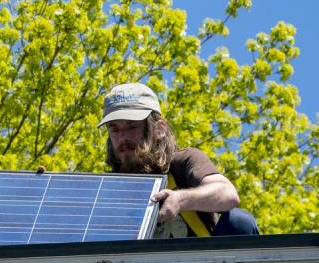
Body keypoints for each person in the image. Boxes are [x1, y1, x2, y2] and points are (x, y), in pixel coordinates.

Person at [98, 82, 259, 238]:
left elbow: (227, 194)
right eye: (114, 128)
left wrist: (180, 200)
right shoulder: (105, 190)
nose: (122, 136)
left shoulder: (183, 162)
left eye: (132, 126)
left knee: (239, 221)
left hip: (203, 262)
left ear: (159, 129)